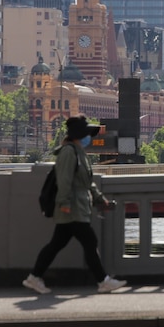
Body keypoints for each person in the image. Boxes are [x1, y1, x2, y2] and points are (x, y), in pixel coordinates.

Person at [23, 115, 127, 295]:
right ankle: (103, 281)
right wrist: (64, 203)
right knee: (89, 241)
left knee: (56, 244)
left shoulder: (78, 152)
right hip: (72, 207)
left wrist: (101, 200)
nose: (89, 138)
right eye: (87, 134)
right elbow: (65, 181)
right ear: (79, 135)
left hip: (77, 206)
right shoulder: (69, 152)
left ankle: (34, 277)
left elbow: (87, 183)